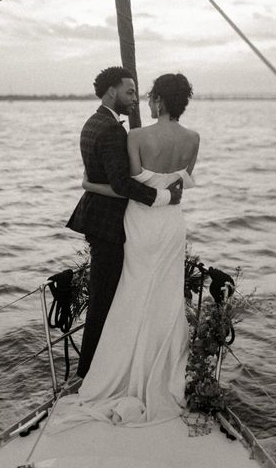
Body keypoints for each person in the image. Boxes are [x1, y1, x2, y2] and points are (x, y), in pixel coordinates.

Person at [56, 72, 199, 431]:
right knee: (165, 297)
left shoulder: (134, 135)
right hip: (171, 225)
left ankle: (108, 372)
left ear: (161, 101)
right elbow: (180, 183)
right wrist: (165, 192)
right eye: (133, 93)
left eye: (148, 96)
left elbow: (129, 181)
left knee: (131, 293)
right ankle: (159, 371)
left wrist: (89, 183)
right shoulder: (194, 139)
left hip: (140, 224)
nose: (141, 101)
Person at [66, 66, 183, 379]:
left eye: (136, 93)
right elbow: (121, 184)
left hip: (97, 219)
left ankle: (102, 367)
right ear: (110, 91)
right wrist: (163, 198)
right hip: (107, 226)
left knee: (105, 297)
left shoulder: (94, 121)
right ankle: (87, 375)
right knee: (103, 301)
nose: (134, 98)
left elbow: (102, 178)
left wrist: (89, 185)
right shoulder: (111, 130)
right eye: (129, 92)